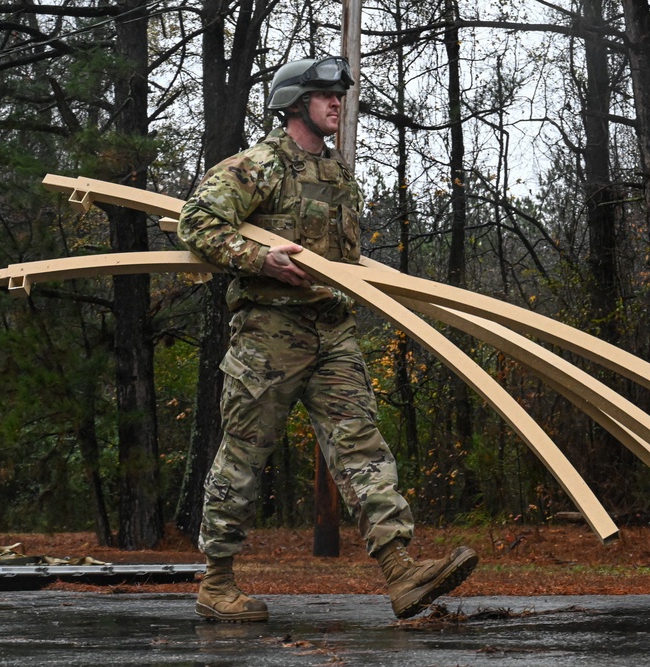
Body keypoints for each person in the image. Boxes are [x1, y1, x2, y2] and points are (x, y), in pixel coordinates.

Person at [177, 55, 477, 623]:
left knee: (362, 446)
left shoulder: (341, 176)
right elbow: (198, 222)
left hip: (331, 330)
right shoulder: (256, 167)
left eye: (339, 94)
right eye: (324, 95)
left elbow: (344, 259)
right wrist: (258, 258)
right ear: (294, 104)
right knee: (243, 455)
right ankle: (216, 581)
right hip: (269, 335)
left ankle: (400, 571)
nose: (337, 102)